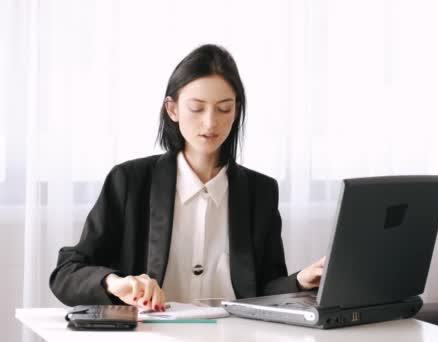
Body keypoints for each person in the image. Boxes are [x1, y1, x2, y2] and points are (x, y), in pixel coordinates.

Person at [49, 44, 325, 312]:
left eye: (224, 108)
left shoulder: (260, 191)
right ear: (172, 109)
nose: (210, 122)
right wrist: (116, 283)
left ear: (237, 111)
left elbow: (263, 289)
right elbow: (66, 273)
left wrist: (299, 281)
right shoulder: (130, 181)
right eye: (196, 108)